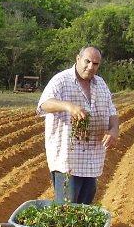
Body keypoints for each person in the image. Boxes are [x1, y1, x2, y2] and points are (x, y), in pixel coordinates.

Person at [36, 46, 119, 204]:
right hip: (68, 159)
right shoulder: (61, 80)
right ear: (77, 59)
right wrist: (69, 107)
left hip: (92, 159)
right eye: (87, 61)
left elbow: (112, 112)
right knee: (67, 208)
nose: (90, 67)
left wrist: (114, 129)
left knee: (84, 208)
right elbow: (44, 104)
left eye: (95, 64)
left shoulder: (100, 84)